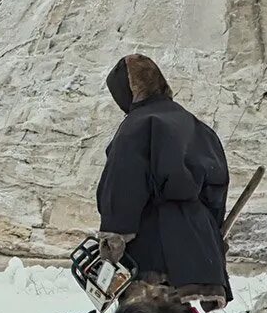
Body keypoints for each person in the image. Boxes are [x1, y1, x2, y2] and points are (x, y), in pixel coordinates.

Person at [95, 54, 232, 300]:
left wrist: (114, 236)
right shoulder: (198, 127)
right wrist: (211, 238)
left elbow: (123, 185)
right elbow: (216, 190)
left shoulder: (137, 126)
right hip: (200, 254)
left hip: (152, 252)